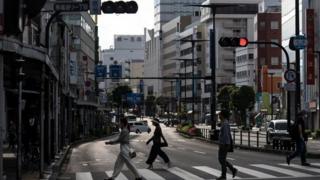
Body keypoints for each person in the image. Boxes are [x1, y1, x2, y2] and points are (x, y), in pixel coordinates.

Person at [217, 110, 237, 180]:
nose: (219, 116)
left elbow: (226, 135)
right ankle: (231, 170)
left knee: (221, 159)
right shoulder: (224, 123)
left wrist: (225, 144)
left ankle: (224, 175)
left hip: (224, 144)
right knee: (222, 159)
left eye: (219, 115)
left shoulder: (225, 123)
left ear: (222, 115)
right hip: (224, 144)